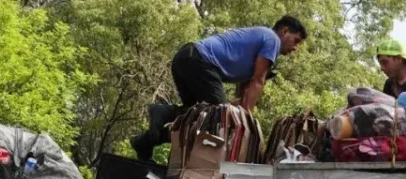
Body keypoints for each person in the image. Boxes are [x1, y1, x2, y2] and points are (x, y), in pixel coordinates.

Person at [131, 16, 308, 161]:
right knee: (218, 118)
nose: (295, 48)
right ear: (284, 32)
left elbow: (245, 97)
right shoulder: (272, 39)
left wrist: (241, 111)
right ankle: (163, 114)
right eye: (296, 41)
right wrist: (247, 123)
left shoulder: (259, 42)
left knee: (196, 121)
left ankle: (145, 141)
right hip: (199, 61)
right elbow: (257, 82)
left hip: (185, 59)